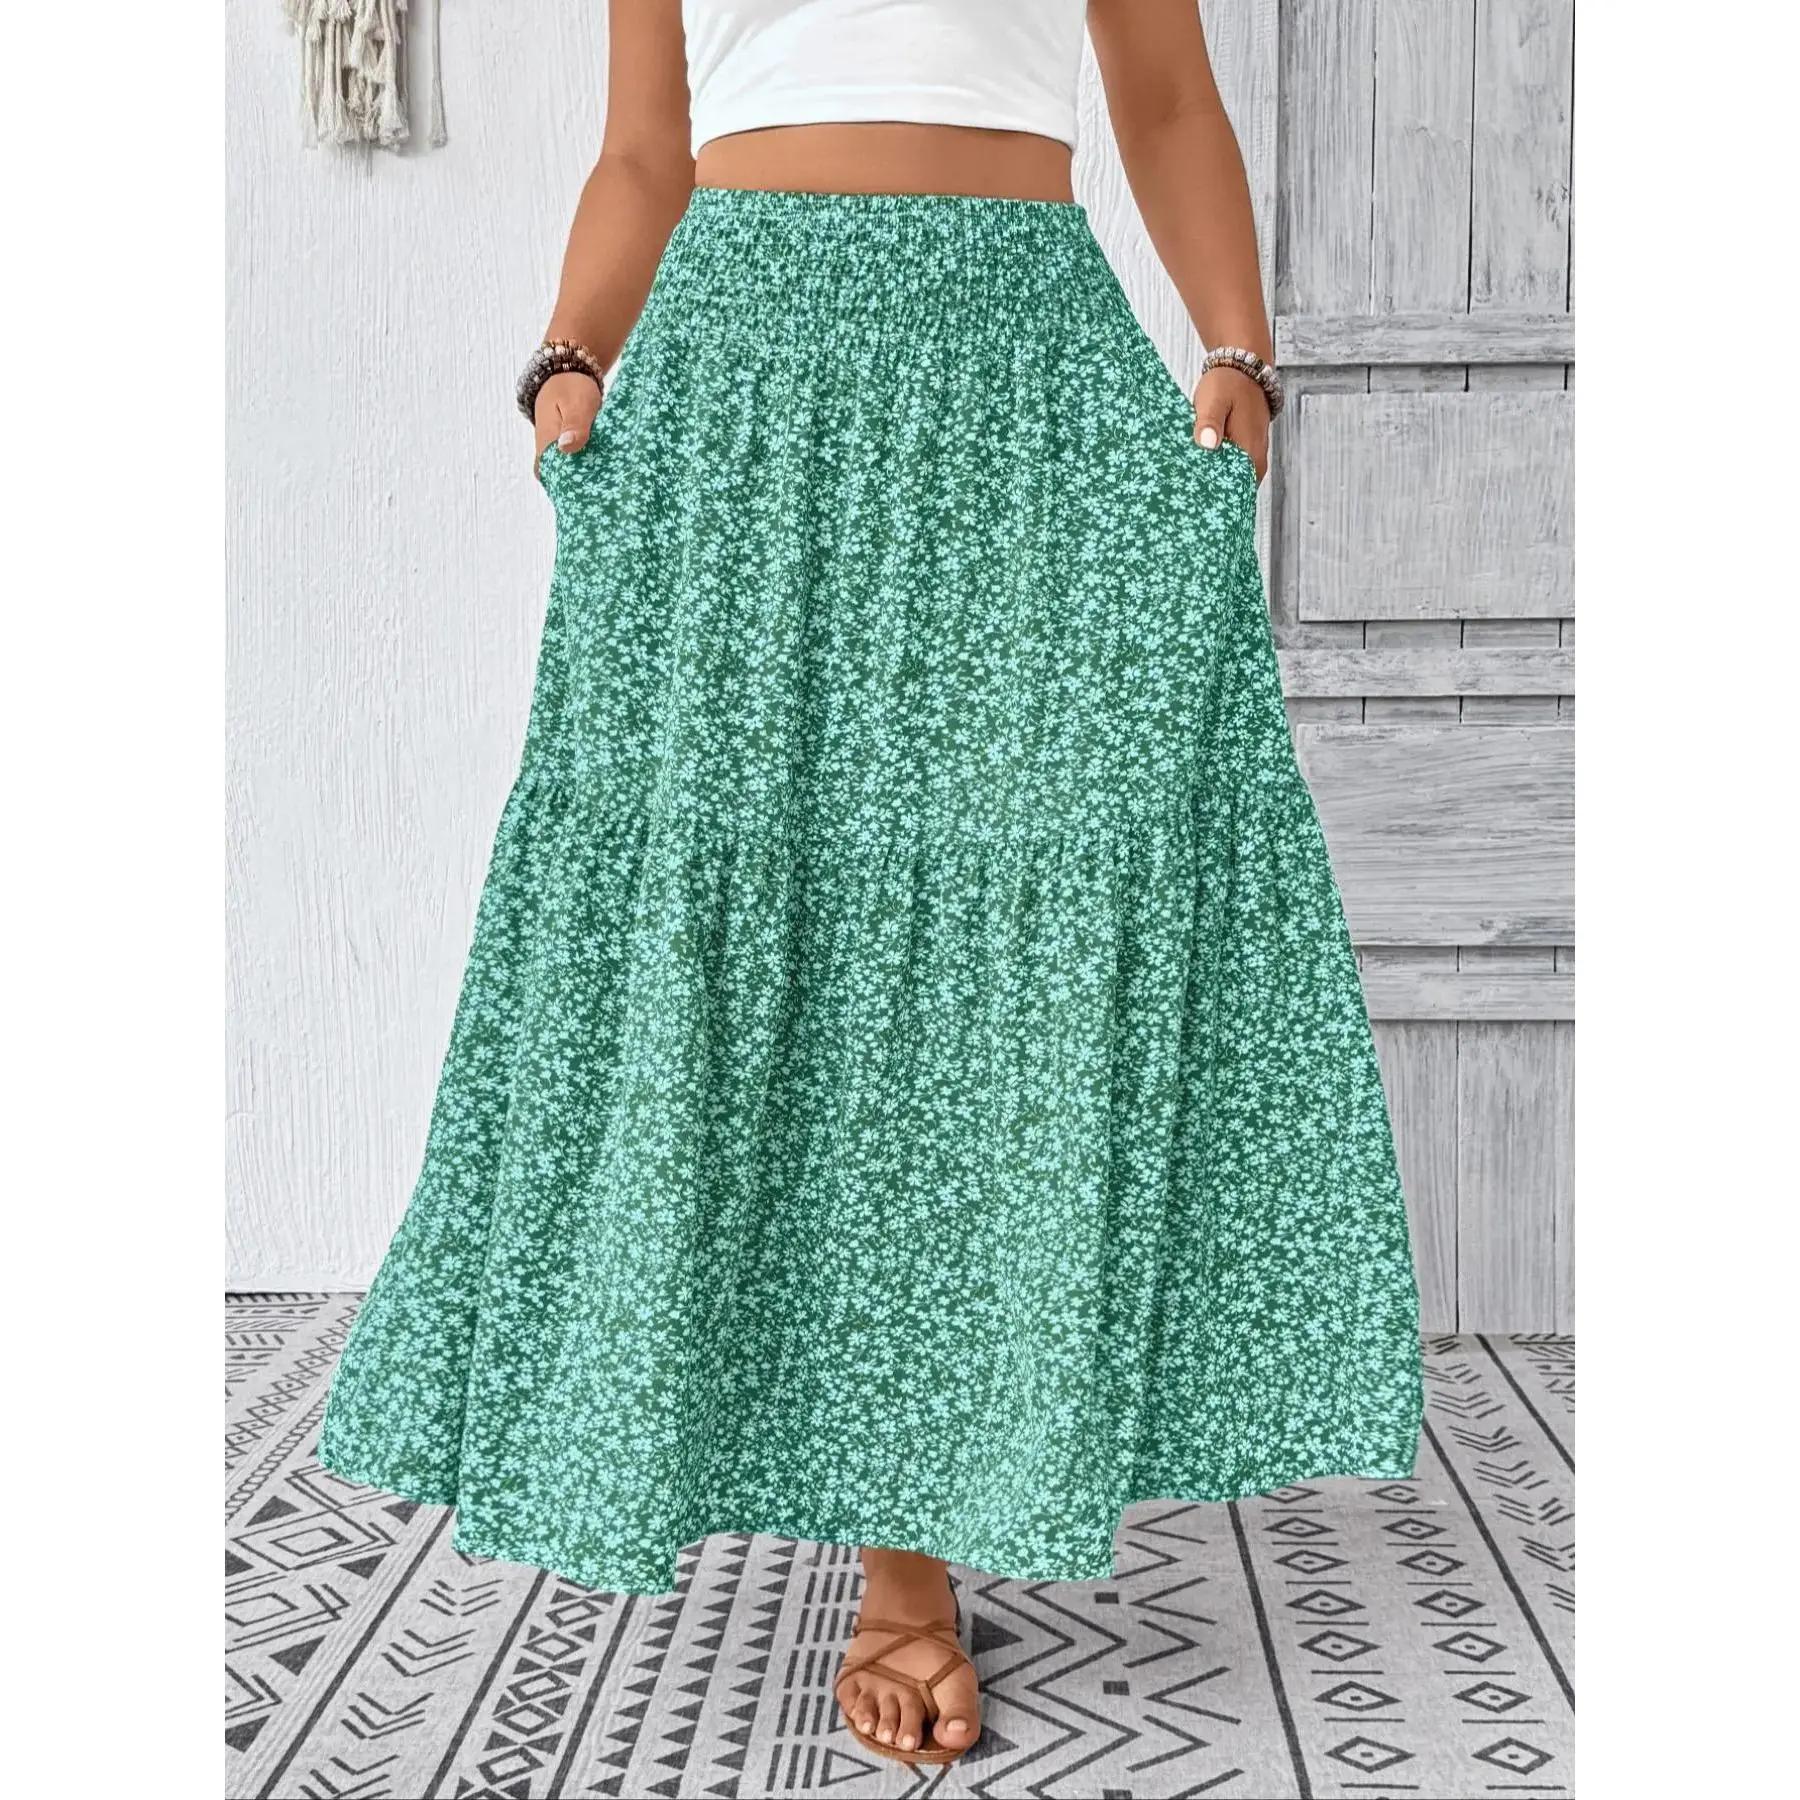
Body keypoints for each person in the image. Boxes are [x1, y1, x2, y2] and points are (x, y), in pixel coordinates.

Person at [318, 0, 1425, 1771]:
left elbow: (1163, 99)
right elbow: (642, 151)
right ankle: (683, 1438)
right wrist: (568, 357)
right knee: (747, 929)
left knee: (993, 955)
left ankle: (912, 1561)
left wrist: (1240, 353)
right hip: (742, 400)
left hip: (1023, 383)